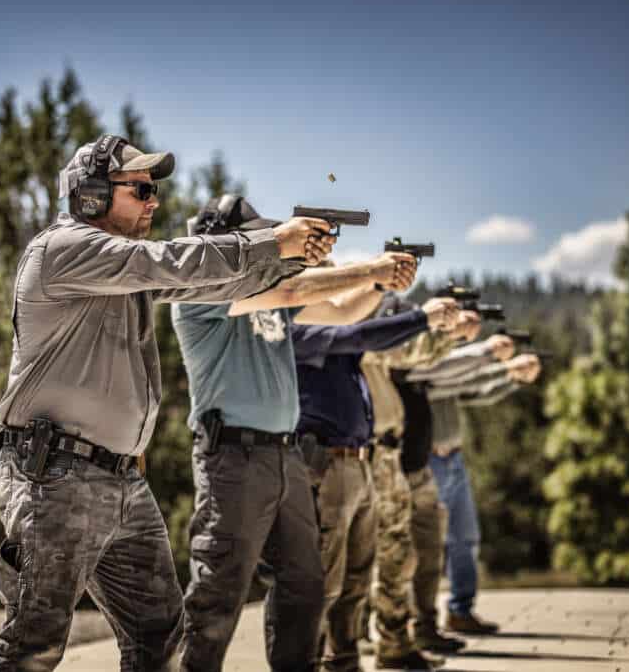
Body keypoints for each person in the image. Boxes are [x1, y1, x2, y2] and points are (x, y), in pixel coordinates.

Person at [0, 138, 334, 671]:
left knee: (160, 636)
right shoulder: (64, 248)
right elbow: (168, 260)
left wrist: (286, 260)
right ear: (93, 195)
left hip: (122, 480)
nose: (154, 201)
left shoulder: (125, 274)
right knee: (34, 641)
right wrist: (271, 241)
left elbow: (215, 282)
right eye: (141, 189)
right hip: (57, 476)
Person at [172, 194, 419, 672]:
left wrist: (378, 283)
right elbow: (291, 292)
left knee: (305, 587)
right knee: (218, 592)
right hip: (233, 456)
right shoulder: (202, 287)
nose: (269, 246)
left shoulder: (265, 295)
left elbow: (341, 311)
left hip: (284, 457)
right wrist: (372, 269)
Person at [292, 295, 458, 671]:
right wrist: (411, 309)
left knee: (356, 577)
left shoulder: (343, 339)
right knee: (324, 581)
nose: (337, 300)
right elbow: (367, 337)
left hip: (360, 459)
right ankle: (314, 660)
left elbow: (398, 351)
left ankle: (346, 660)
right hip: (327, 462)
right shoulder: (306, 329)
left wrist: (443, 331)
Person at [359, 299, 473, 669]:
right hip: (372, 456)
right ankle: (354, 652)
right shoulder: (353, 337)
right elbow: (407, 351)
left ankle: (393, 646)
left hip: (388, 457)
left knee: (398, 557)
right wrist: (438, 327)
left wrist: (449, 333)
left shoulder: (366, 341)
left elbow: (415, 354)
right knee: (362, 568)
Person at [422, 345, 542, 636]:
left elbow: (476, 392)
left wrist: (513, 379)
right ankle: (419, 622)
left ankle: (460, 611)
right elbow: (453, 382)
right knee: (425, 546)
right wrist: (505, 368)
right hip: (426, 461)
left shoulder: (446, 371)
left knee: (465, 537)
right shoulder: (425, 369)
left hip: (453, 459)